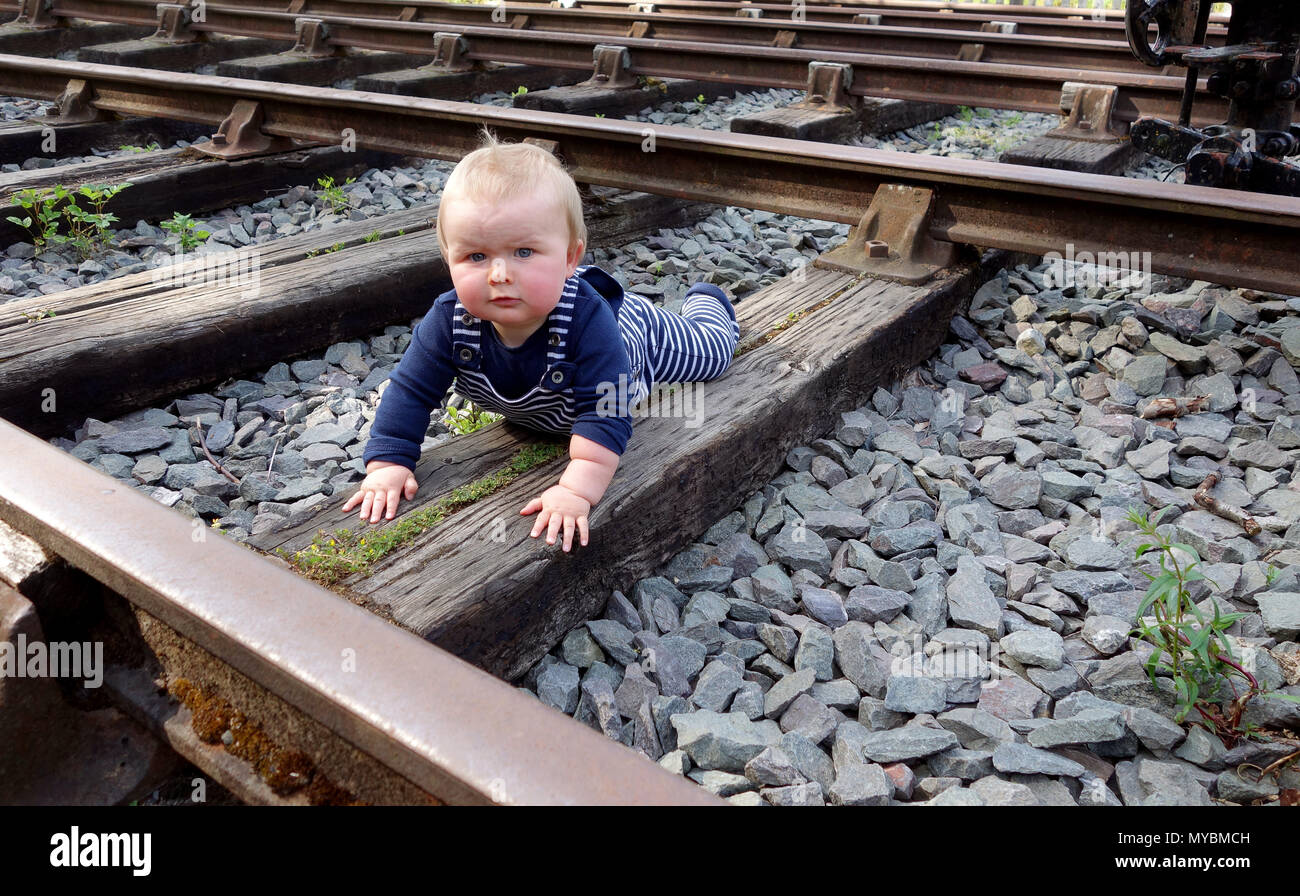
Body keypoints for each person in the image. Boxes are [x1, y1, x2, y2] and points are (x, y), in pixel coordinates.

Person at [342, 135, 739, 551]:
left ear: (571, 258)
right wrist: (388, 461)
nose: (499, 274)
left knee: (710, 353)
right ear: (449, 260)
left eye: (524, 251)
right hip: (550, 409)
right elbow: (410, 390)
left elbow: (606, 410)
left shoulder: (588, 321)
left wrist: (576, 489)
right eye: (476, 257)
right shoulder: (449, 320)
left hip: (637, 339)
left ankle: (708, 303)